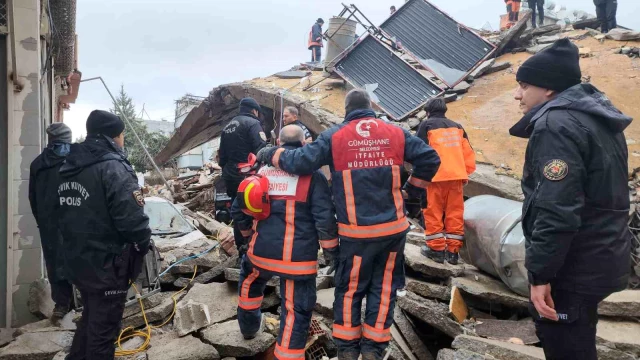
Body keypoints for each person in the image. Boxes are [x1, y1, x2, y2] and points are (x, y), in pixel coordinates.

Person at [257, 89, 441, 360]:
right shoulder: (395, 132)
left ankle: (347, 349)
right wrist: (411, 191)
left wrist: (270, 152)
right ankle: (373, 350)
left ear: (347, 110)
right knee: (384, 288)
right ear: (370, 107)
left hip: (356, 234)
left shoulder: (336, 136)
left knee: (350, 289)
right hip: (392, 231)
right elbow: (431, 158)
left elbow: (300, 161)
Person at [509, 38, 632, 360]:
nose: (517, 94)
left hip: (574, 266)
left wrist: (541, 275)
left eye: (523, 85)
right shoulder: (595, 118)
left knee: (565, 345)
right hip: (602, 254)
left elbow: (556, 208)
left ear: (548, 88)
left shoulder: (555, 126)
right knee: (579, 338)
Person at [231, 125, 338, 360]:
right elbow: (325, 218)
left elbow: (238, 207)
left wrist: (248, 234)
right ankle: (288, 355)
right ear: (303, 145)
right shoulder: (314, 177)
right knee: (296, 310)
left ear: (278, 143)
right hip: (297, 262)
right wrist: (331, 251)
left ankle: (249, 330)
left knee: (249, 285)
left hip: (260, 253)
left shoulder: (261, 172)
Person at [58, 110, 151, 360]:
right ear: (113, 136)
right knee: (103, 332)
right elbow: (131, 218)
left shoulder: (69, 165)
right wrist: (143, 244)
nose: (122, 140)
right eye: (121, 135)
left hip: (78, 259)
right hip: (107, 264)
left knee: (91, 319)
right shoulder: (113, 167)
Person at [416, 98, 476, 265]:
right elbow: (468, 153)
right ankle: (453, 252)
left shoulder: (426, 126)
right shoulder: (457, 127)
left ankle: (436, 250)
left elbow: (419, 151)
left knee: (432, 211)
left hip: (433, 178)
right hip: (456, 177)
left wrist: (418, 176)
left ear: (427, 112)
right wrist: (465, 172)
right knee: (454, 213)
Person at [28, 123, 74, 324]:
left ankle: (66, 304)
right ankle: (70, 303)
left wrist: (42, 221)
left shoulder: (39, 163)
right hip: (68, 222)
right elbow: (33, 197)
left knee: (60, 263)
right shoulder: (74, 161)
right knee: (67, 263)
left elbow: (33, 199)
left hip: (56, 223)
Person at [219, 98, 267, 252]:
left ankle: (241, 249)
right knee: (251, 212)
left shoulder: (227, 127)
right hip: (247, 176)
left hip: (230, 176)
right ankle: (252, 248)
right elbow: (261, 151)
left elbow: (222, 157)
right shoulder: (253, 124)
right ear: (254, 110)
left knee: (236, 211)